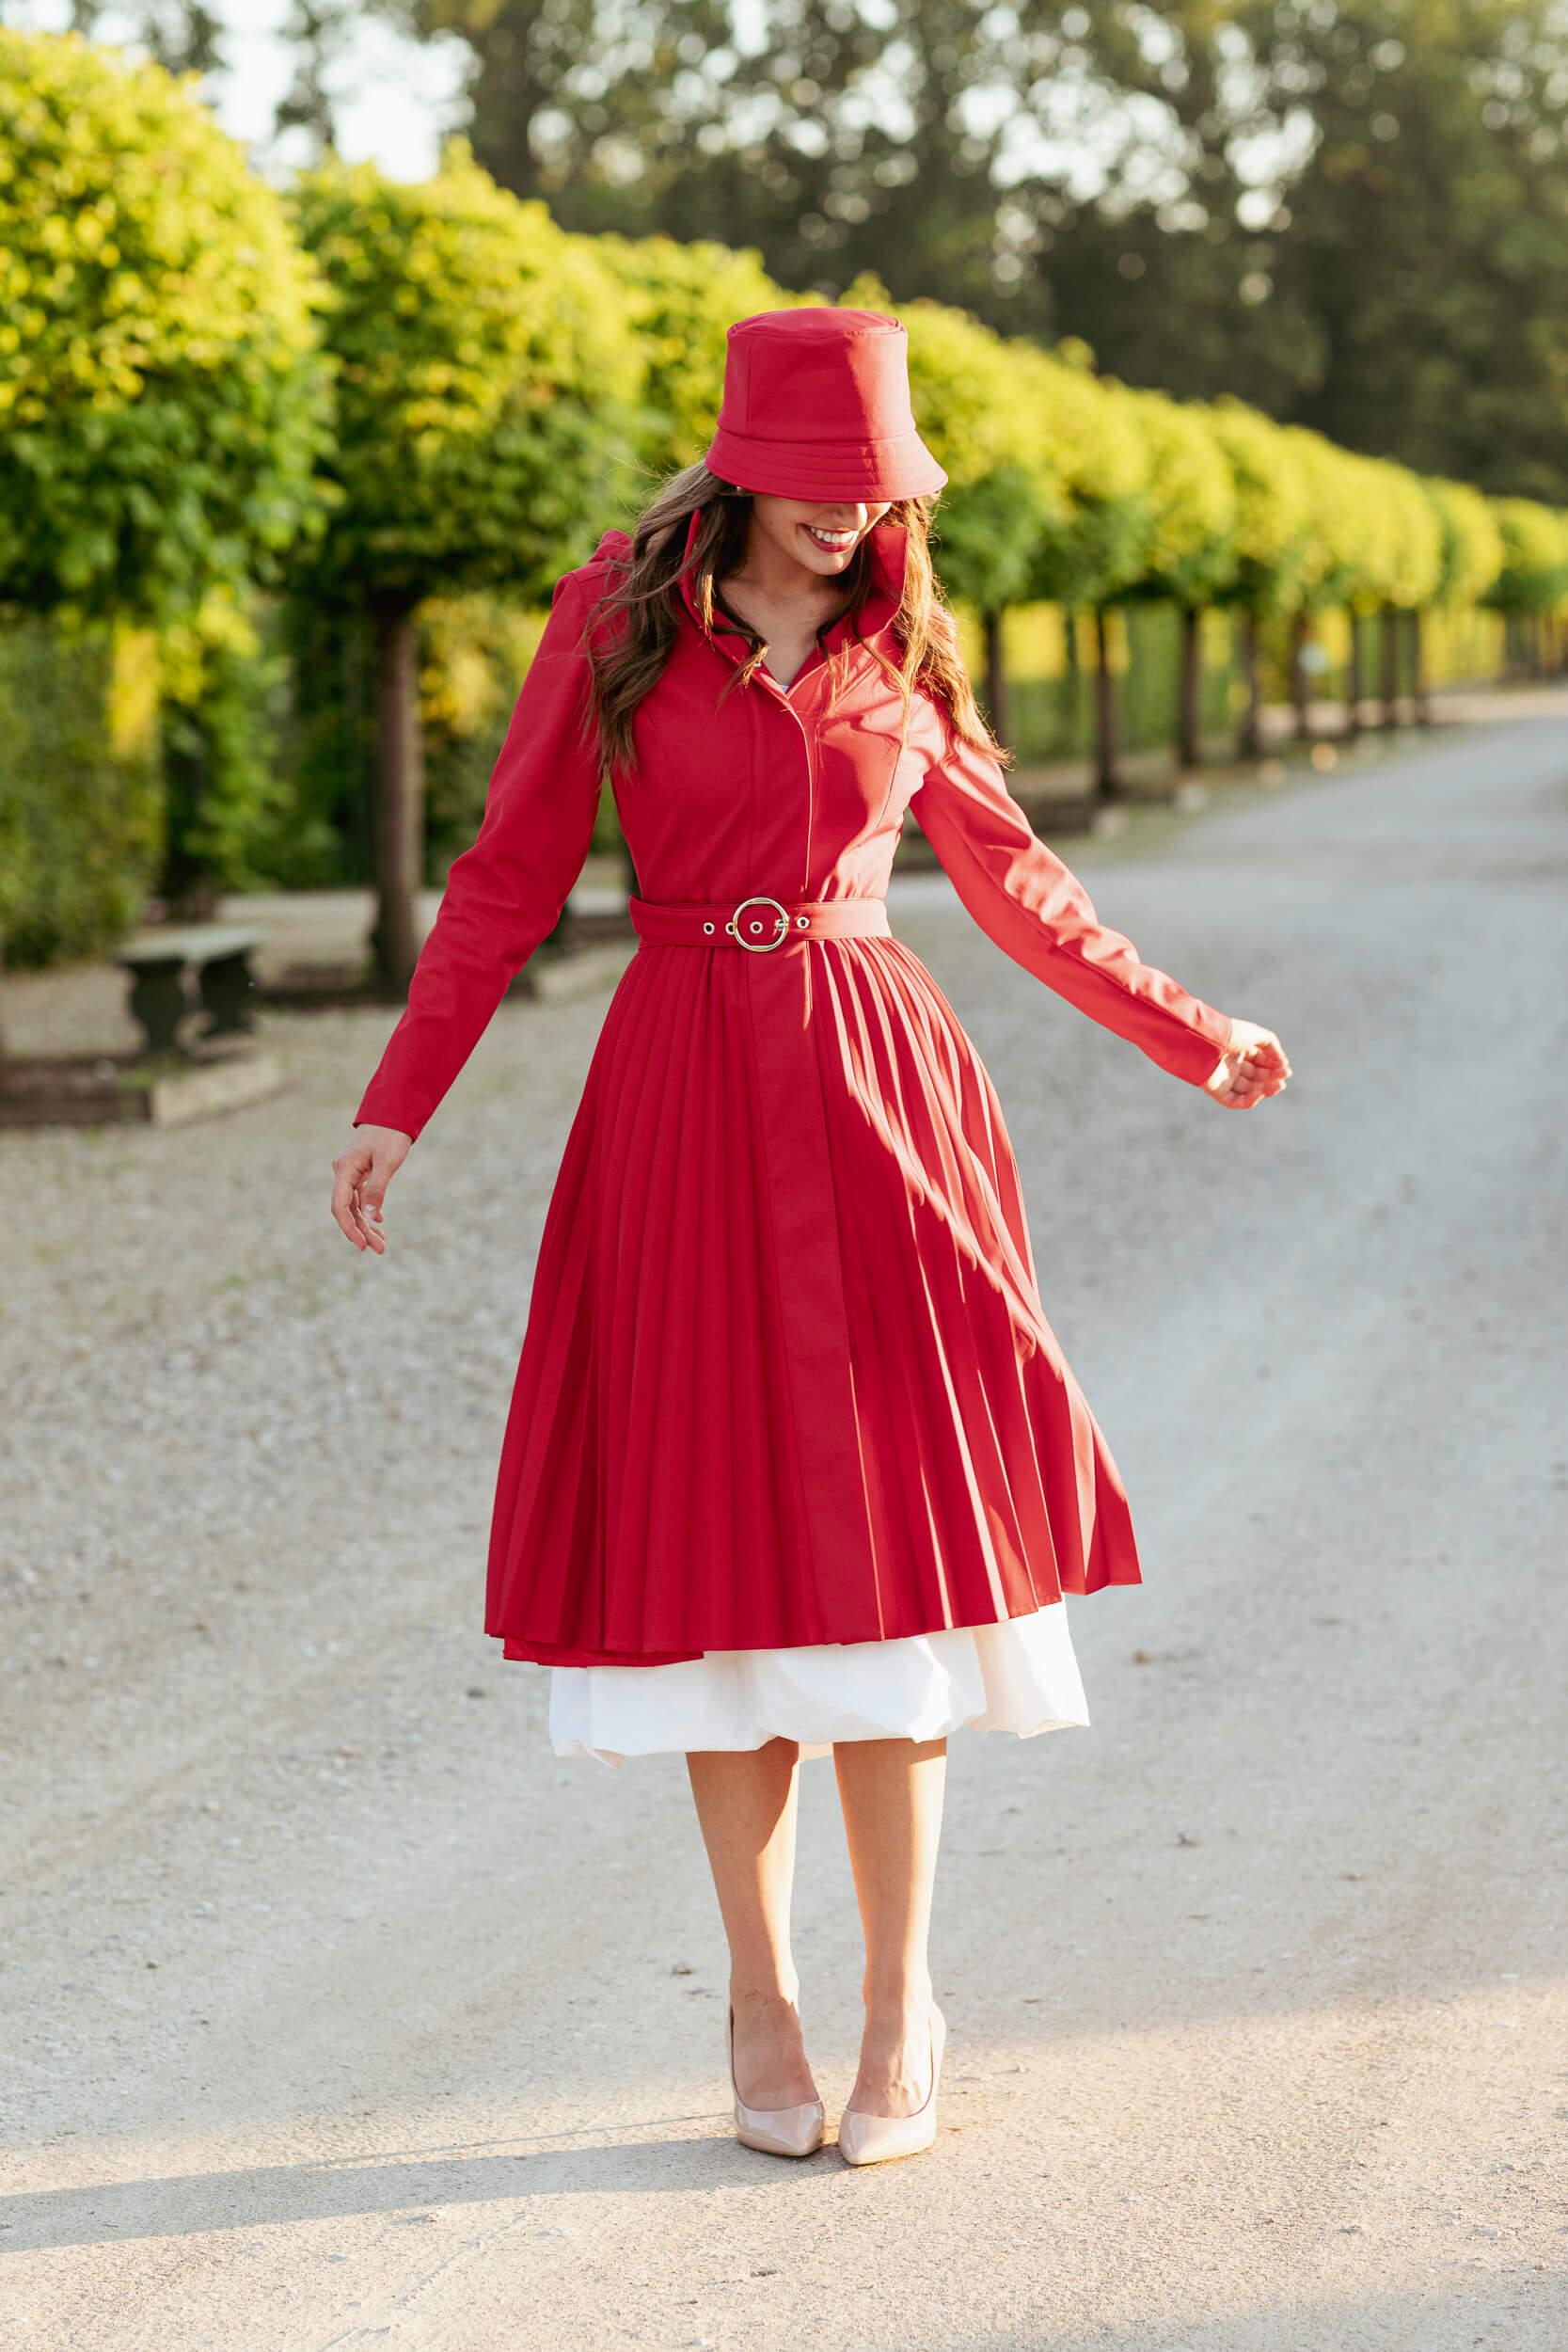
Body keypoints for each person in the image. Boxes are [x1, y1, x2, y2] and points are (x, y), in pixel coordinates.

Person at [330, 308, 1290, 2169]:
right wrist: (398, 1097)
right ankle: (759, 1991)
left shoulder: (908, 635)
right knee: (714, 1564)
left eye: (880, 484)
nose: (855, 514)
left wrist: (1193, 1030)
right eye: (825, 481)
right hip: (677, 1090)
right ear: (742, 462)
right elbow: (509, 872)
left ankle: (897, 1999)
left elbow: (1013, 876)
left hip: (877, 1094)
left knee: (890, 1560)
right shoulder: (610, 622)